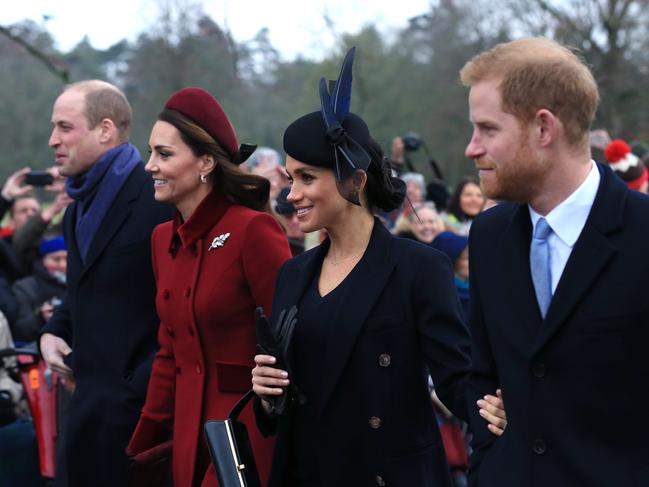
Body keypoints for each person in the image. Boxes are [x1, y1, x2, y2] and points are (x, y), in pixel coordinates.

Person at [251, 47, 500, 487]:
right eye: (290, 179)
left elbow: (455, 376)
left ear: (356, 181)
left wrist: (497, 408)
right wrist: (268, 392)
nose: (292, 194)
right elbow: (290, 402)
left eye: (307, 178)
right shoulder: (294, 273)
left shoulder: (419, 268)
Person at [461, 37, 649, 487]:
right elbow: (481, 373)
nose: (471, 148)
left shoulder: (643, 234)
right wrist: (492, 456)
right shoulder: (489, 236)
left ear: (543, 128)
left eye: (488, 129)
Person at [127, 87, 291, 487]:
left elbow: (289, 339)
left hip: (246, 433)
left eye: (164, 154)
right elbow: (170, 353)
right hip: (187, 434)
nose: (149, 165)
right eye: (150, 152)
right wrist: (146, 438)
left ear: (204, 161)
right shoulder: (161, 240)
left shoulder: (253, 229)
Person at [39, 80, 171, 487]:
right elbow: (81, 290)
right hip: (85, 412)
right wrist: (53, 332)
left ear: (106, 130)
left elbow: (183, 300)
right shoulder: (77, 209)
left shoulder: (156, 199)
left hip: (140, 421)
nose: (52, 140)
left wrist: (139, 386)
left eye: (64, 127)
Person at [11, 235, 67, 342]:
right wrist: (40, 317)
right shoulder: (26, 287)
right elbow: (19, 330)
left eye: (68, 259)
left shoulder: (81, 285)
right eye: (56, 259)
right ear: (43, 260)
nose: (63, 265)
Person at [275, 186, 306, 256]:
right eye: (288, 216)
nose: (295, 221)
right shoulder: (277, 251)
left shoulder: (321, 241)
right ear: (279, 219)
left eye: (300, 213)